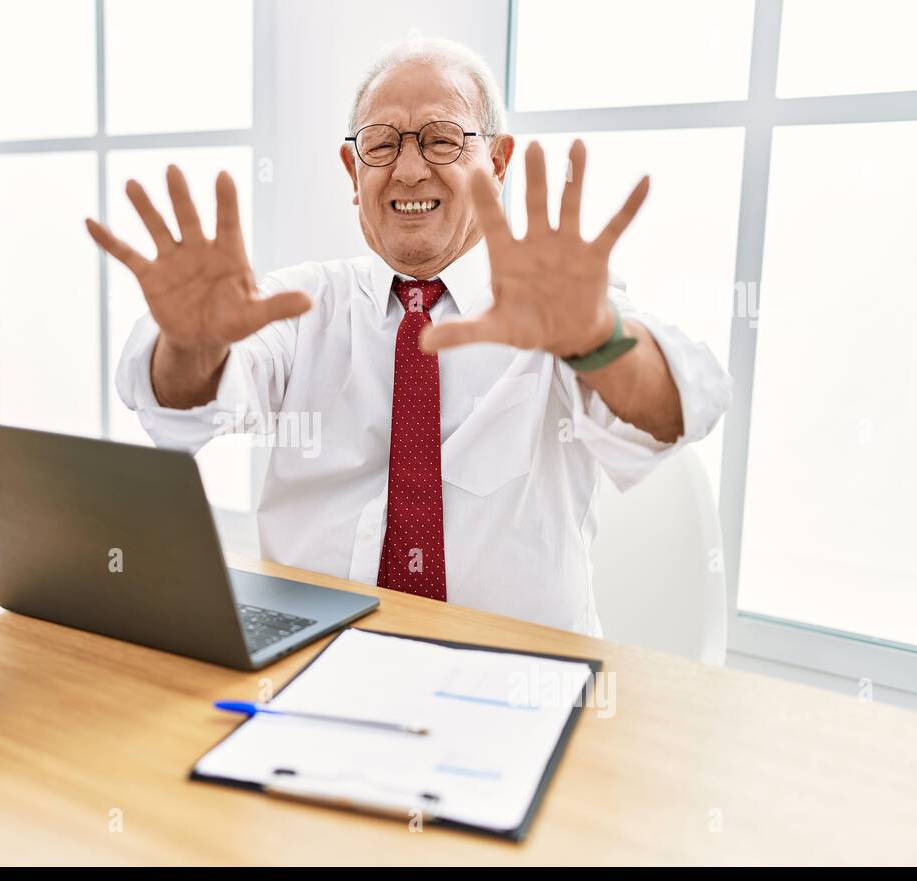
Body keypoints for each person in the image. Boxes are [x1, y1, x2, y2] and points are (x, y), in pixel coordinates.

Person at [86, 38, 731, 636]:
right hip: (312, 665)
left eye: (443, 140)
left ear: (498, 160)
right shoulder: (306, 304)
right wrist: (193, 344)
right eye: (383, 143)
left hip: (512, 686)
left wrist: (595, 338)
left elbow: (675, 407)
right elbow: (181, 400)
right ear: (352, 168)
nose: (409, 170)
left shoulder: (556, 307)